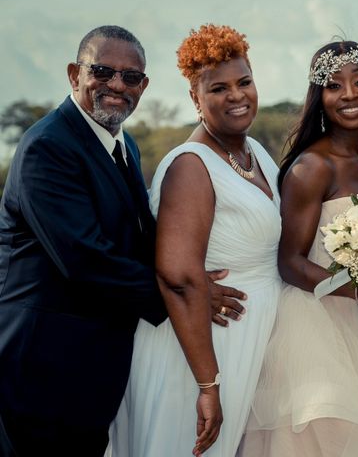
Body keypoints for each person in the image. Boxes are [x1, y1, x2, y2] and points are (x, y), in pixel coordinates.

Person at [108, 24, 282, 457]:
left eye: (244, 82)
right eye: (218, 88)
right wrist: (208, 384)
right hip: (199, 352)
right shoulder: (191, 165)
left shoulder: (254, 151)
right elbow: (180, 277)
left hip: (247, 340)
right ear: (195, 99)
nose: (236, 96)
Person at [239, 41, 358, 457]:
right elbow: (290, 263)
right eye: (335, 86)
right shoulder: (311, 167)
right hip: (316, 324)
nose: (350, 95)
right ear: (319, 96)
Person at [0, 25, 167, 456]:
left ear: (143, 86)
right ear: (75, 73)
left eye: (131, 77)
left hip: (92, 368)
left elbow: (135, 238)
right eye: (103, 71)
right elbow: (85, 258)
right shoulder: (47, 146)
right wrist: (181, 296)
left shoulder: (123, 142)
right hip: (40, 367)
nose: (116, 85)